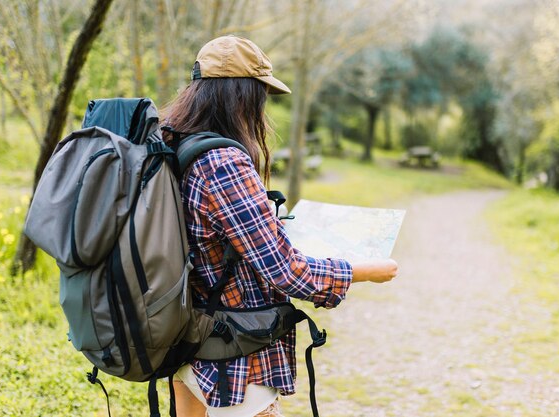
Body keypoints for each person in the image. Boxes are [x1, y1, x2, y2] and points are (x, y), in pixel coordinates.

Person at [161, 35, 399, 417]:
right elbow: (286, 271)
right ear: (242, 95)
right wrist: (361, 271)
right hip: (232, 358)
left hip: (187, 341)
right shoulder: (223, 163)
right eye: (261, 96)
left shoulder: (174, 141)